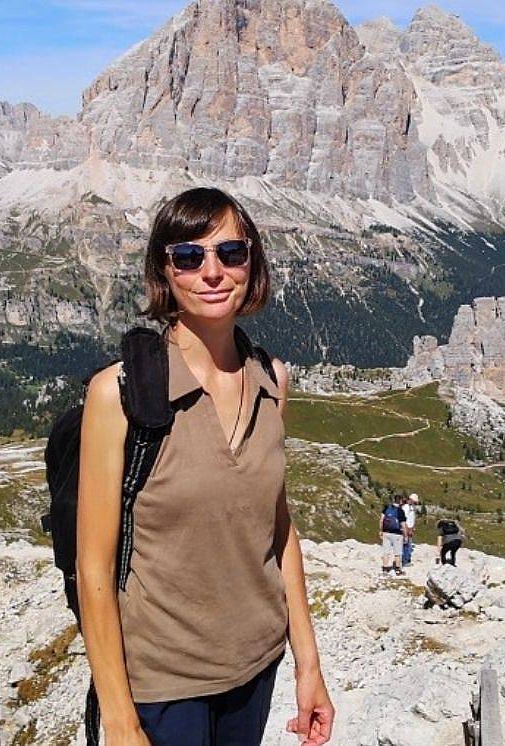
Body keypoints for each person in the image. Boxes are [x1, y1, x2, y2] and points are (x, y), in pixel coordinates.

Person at [77, 187, 334, 746]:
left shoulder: (273, 380)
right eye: (189, 257)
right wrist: (119, 720)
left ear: (252, 264)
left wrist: (308, 665)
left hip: (256, 666)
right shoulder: (116, 394)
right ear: (164, 272)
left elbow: (278, 528)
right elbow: (93, 567)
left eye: (231, 253)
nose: (212, 273)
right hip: (164, 684)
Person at [380, 495, 407, 576]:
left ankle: (385, 569)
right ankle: (398, 570)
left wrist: (381, 531)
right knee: (397, 552)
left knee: (386, 552)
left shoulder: (386, 508)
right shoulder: (400, 511)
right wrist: (405, 535)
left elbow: (381, 520)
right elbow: (403, 524)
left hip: (386, 533)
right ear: (400, 501)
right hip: (397, 534)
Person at [401, 493, 419, 566]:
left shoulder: (411, 507)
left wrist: (412, 527)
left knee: (408, 544)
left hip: (410, 528)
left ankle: (407, 559)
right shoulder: (406, 507)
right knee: (406, 544)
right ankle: (404, 560)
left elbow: (411, 518)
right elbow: (404, 519)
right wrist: (407, 529)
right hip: (406, 528)